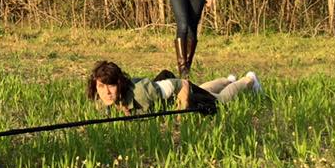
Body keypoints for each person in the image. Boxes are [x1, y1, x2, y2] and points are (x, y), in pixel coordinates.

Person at [87, 60, 261, 116]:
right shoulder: (104, 101)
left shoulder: (142, 93)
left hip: (181, 92)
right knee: (205, 89)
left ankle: (249, 80)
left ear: (120, 84)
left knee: (220, 100)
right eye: (101, 86)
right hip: (176, 92)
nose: (106, 92)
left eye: (111, 86)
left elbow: (180, 84)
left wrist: (181, 112)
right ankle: (227, 80)